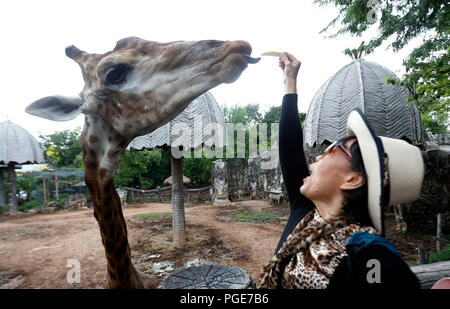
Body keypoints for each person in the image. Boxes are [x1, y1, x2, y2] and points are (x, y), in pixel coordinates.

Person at [258, 53, 425, 289]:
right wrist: (289, 81)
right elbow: (289, 148)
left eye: (334, 149)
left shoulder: (369, 253)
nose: (319, 155)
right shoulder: (307, 216)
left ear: (353, 178)